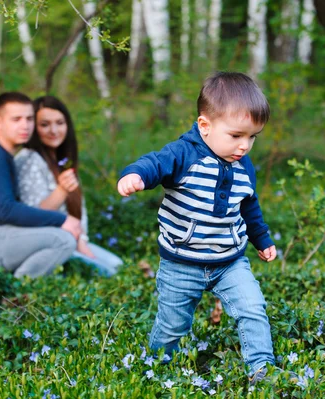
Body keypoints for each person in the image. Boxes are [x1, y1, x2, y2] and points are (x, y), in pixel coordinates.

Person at [117, 72, 277, 383]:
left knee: (253, 308)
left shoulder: (243, 165)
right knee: (172, 325)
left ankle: (261, 370)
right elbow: (154, 163)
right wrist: (135, 175)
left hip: (230, 262)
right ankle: (155, 369)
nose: (245, 146)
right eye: (236, 136)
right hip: (181, 263)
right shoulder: (183, 154)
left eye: (253, 137)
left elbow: (249, 206)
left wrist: (261, 238)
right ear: (205, 126)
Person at [0, 92, 82, 279]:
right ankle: (18, 295)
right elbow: (7, 210)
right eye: (16, 119)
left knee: (58, 238)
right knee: (62, 241)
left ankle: (21, 287)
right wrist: (62, 220)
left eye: (29, 119)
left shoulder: (3, 154)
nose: (25, 126)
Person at [14, 95, 123, 277]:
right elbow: (32, 215)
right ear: (33, 127)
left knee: (119, 266)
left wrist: (81, 241)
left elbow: (79, 211)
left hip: (74, 240)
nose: (54, 130)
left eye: (59, 123)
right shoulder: (29, 159)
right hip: (49, 245)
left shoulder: (62, 160)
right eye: (45, 124)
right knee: (110, 274)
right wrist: (62, 190)